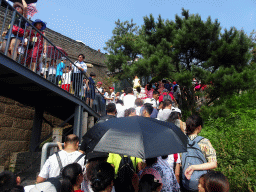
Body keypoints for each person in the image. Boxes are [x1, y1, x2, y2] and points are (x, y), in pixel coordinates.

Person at [182, 115, 217, 192]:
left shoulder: (182, 141)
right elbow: (213, 164)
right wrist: (194, 167)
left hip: (185, 182)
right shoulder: (204, 142)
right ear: (199, 127)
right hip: (201, 185)